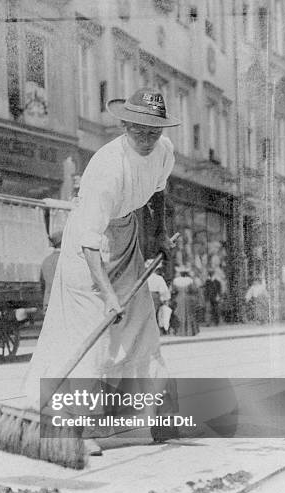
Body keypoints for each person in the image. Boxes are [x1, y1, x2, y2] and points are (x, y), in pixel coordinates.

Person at [24, 88, 181, 454]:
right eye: (139, 129)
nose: (147, 137)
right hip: (86, 252)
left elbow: (157, 193)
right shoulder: (107, 168)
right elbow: (89, 242)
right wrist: (108, 297)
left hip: (126, 235)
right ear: (125, 125)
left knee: (142, 324)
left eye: (154, 130)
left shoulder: (164, 151)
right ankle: (72, 429)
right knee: (88, 334)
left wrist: (157, 235)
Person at [172, 266, 199, 336]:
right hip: (188, 298)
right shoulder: (190, 280)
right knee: (189, 314)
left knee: (179, 314)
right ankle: (189, 331)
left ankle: (179, 331)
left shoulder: (176, 280)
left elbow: (173, 291)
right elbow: (194, 290)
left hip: (179, 298)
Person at [145, 259, 171, 332]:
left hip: (145, 296)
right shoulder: (159, 278)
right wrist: (165, 299)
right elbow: (164, 291)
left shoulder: (144, 278)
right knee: (155, 314)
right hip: (155, 297)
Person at [40, 231, 62, 314]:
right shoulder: (66, 259)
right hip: (63, 305)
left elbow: (42, 285)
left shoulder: (46, 261)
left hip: (48, 304)